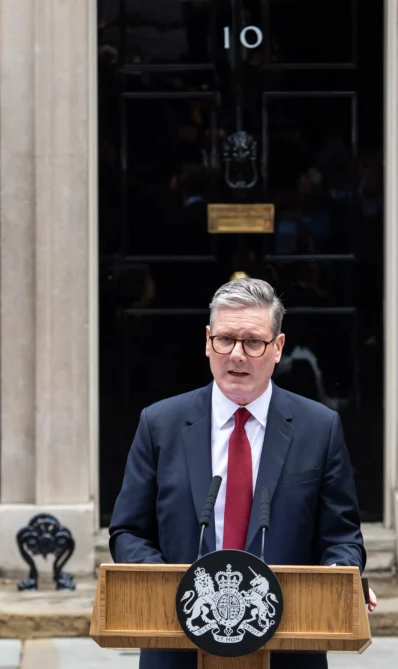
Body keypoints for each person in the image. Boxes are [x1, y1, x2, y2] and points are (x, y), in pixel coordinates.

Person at [108, 277, 376, 669]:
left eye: (253, 342)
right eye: (225, 340)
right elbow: (128, 531)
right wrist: (164, 584)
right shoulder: (160, 423)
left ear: (278, 348)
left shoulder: (319, 428)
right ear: (207, 341)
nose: (237, 355)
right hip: (177, 644)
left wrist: (339, 579)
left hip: (288, 648)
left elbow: (342, 537)